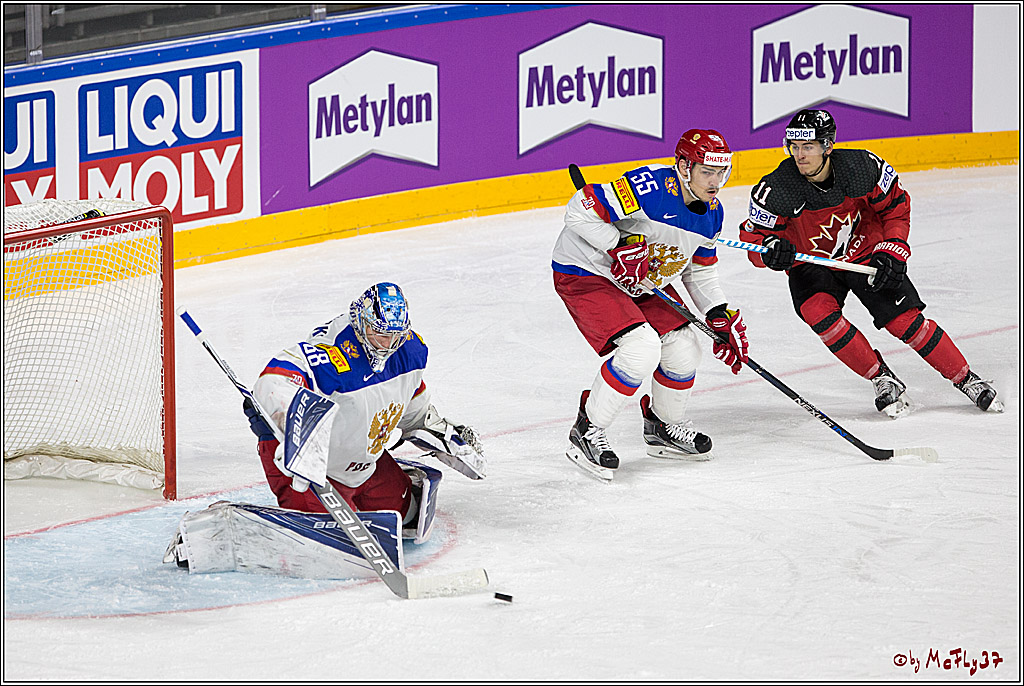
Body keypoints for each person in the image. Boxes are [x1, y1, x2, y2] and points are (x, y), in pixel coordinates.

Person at [739, 108, 1003, 417]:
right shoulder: (775, 189)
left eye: (807, 146)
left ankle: (965, 377)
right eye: (794, 147)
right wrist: (769, 251)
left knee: (904, 321)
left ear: (827, 146)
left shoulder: (862, 168)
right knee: (818, 314)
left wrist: (893, 249)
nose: (800, 155)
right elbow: (753, 241)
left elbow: (896, 207)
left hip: (865, 252)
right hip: (813, 262)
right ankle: (882, 377)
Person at [551, 129, 750, 480]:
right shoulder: (650, 188)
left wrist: (718, 312)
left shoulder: (712, 213)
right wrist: (616, 243)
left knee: (685, 348)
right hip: (588, 271)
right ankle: (588, 429)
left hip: (643, 280)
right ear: (684, 167)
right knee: (641, 348)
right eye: (707, 171)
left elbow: (700, 270)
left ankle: (663, 426)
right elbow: (579, 210)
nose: (716, 181)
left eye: (721, 172)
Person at [244, 281, 485, 528]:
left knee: (409, 516)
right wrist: (290, 428)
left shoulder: (409, 349)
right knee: (334, 542)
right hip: (314, 470)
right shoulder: (332, 351)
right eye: (381, 333)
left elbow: (410, 404)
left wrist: (437, 430)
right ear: (362, 321)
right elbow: (274, 381)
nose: (388, 344)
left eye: (395, 335)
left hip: (362, 461)